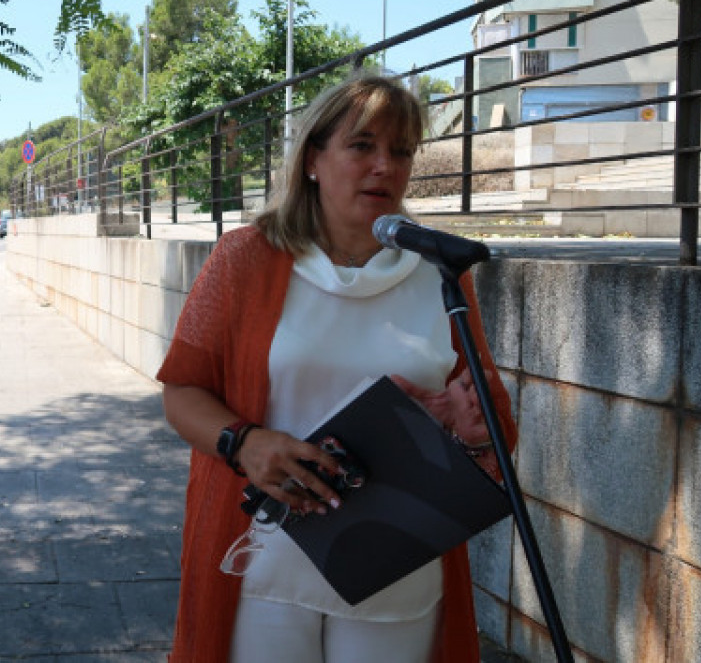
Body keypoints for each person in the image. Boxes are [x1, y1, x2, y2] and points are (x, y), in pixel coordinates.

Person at [156, 73, 517, 663]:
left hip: (398, 570)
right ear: (313, 160)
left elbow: (490, 427)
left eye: (401, 151)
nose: (385, 166)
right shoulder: (244, 259)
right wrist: (245, 444)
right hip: (265, 569)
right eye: (362, 146)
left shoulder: (442, 273)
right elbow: (181, 393)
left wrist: (472, 432)